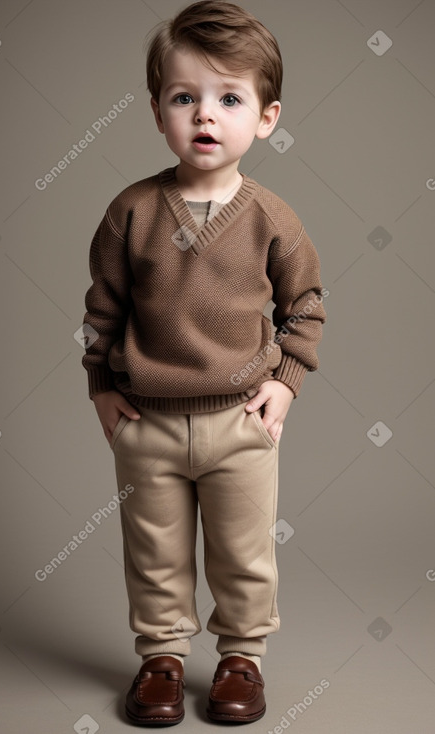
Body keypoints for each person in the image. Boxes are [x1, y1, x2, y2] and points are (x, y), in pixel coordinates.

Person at [81, 0, 327, 725]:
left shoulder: (271, 219)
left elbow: (304, 307)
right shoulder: (130, 213)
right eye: (184, 97)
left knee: (244, 553)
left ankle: (240, 659)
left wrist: (286, 382)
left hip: (238, 423)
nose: (204, 116)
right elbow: (101, 312)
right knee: (153, 552)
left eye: (228, 98)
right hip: (148, 422)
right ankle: (160, 657)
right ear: (158, 112)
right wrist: (101, 388)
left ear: (266, 117)